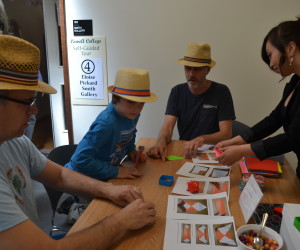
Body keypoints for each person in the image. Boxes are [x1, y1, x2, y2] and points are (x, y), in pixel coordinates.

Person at [0, 35, 156, 249]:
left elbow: (61, 174)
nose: (35, 110)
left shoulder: (16, 143)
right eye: (28, 102)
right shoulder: (106, 123)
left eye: (35, 100)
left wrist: (110, 190)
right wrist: (122, 221)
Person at [216, 17, 300, 178]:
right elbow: (274, 119)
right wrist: (239, 139)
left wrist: (244, 150)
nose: (270, 64)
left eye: (270, 55)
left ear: (290, 48)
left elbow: (294, 137)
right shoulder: (295, 82)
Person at [65, 67, 157, 181]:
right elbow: (80, 160)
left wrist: (132, 151)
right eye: (131, 101)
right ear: (116, 98)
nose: (138, 108)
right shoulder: (106, 124)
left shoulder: (132, 114)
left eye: (142, 103)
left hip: (105, 175)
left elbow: (128, 135)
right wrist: (116, 171)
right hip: (80, 178)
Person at [147, 42, 235, 160]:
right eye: (187, 68)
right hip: (185, 152)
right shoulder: (176, 92)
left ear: (208, 70)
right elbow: (167, 127)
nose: (191, 74)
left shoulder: (222, 91)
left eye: (197, 69)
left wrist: (202, 139)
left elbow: (226, 133)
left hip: (213, 153)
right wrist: (160, 141)